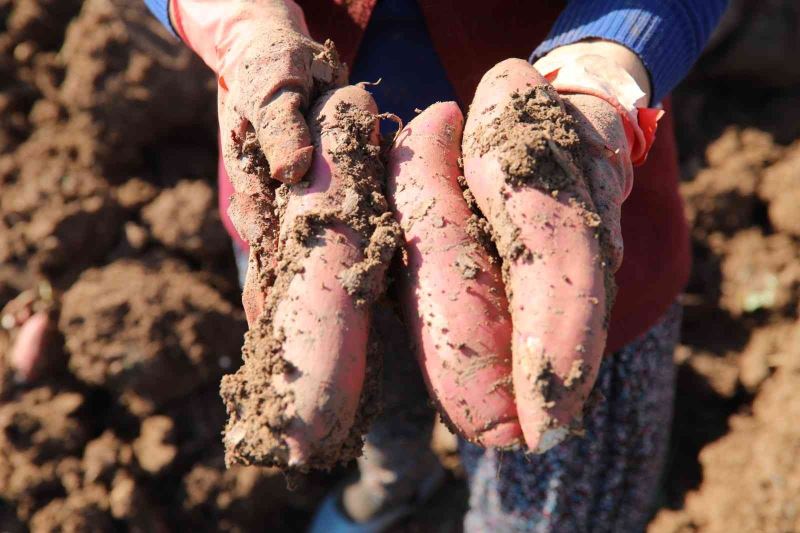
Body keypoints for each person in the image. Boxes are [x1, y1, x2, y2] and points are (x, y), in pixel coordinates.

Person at [148, 0, 726, 531]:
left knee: (551, 439)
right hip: (300, 155)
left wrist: (609, 59)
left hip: (562, 162)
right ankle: (398, 481)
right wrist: (240, 23)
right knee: (357, 392)